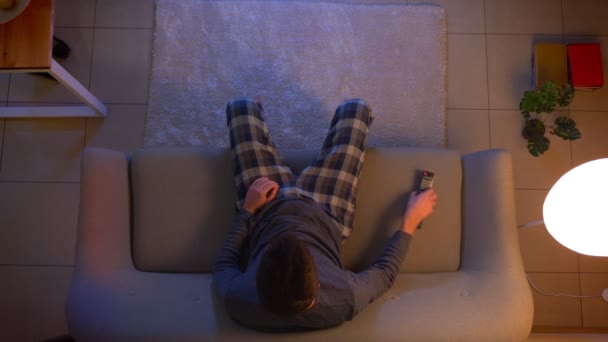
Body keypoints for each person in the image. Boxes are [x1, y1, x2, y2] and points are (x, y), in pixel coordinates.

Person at [213, 97, 438, 332]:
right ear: (318, 285)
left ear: (255, 281)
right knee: (356, 109)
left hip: (264, 207)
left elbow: (224, 262)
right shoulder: (344, 297)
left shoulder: (237, 298)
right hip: (326, 209)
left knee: (240, 107)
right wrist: (411, 218)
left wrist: (248, 209)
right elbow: (384, 273)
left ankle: (256, 108)